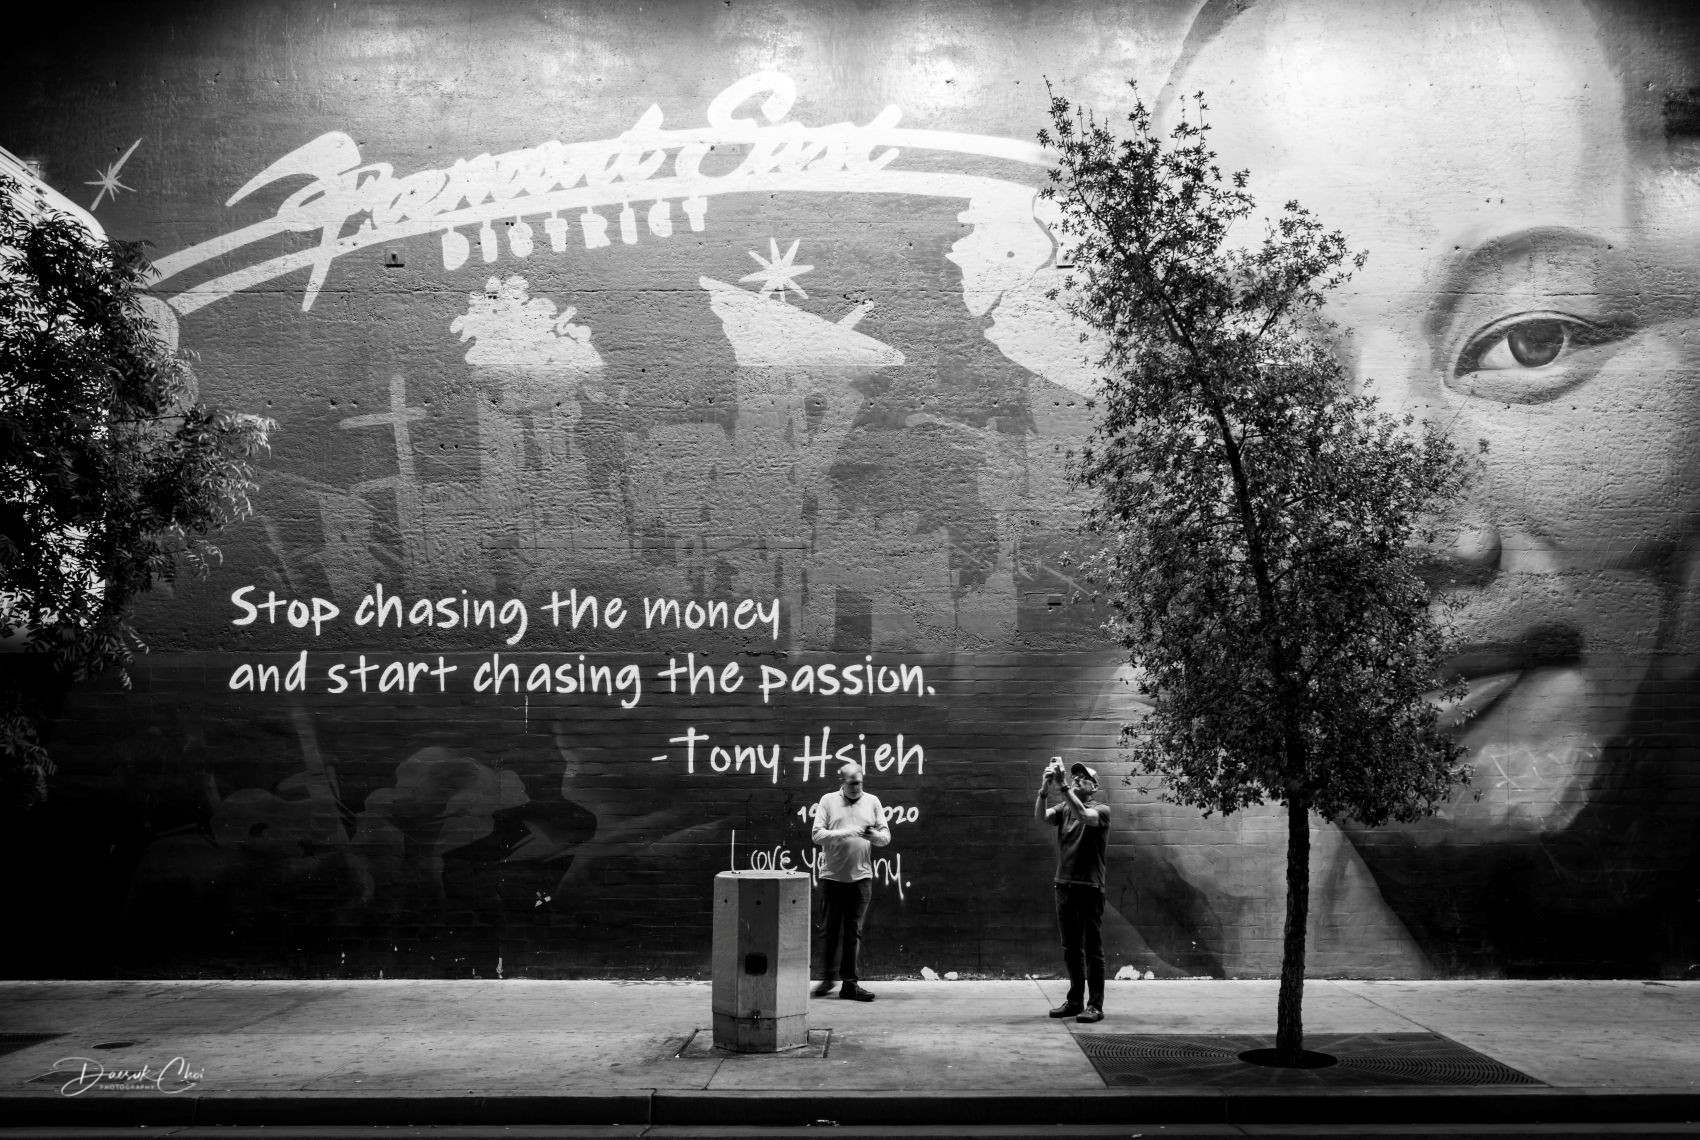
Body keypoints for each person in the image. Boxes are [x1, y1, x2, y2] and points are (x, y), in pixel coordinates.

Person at [1037, 757, 1111, 1022]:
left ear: (1094, 786)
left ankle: (1095, 1006)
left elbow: (1083, 816)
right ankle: (1075, 1001)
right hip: (1064, 885)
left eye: (1084, 777)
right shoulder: (1064, 808)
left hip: (1089, 888)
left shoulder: (1101, 810)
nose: (1078, 778)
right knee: (1071, 948)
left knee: (1092, 949)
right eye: (1075, 775)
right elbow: (1042, 817)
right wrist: (1044, 791)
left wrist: (1064, 787)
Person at [810, 762, 890, 1001]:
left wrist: (873, 835)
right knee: (830, 932)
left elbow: (885, 837)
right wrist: (849, 831)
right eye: (852, 783)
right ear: (842, 782)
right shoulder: (827, 801)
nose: (857, 787)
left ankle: (849, 985)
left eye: (860, 783)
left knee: (853, 933)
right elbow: (817, 835)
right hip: (832, 879)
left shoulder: (873, 801)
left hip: (861, 879)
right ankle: (827, 979)